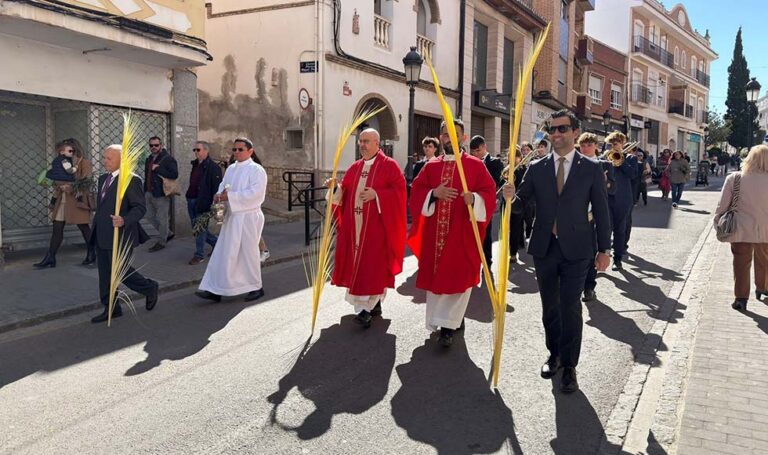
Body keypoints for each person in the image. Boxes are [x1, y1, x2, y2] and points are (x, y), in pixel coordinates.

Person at [505, 110, 611, 393]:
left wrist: (605, 249)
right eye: (552, 129)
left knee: (570, 306)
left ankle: (570, 367)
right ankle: (554, 354)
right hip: (545, 248)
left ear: (575, 132)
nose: (556, 134)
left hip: (578, 249)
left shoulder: (590, 168)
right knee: (550, 307)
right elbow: (520, 205)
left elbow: (602, 210)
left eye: (563, 129)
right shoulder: (537, 168)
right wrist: (509, 196)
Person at [408, 118, 497, 347]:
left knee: (457, 277)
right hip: (434, 234)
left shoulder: (475, 165)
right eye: (446, 134)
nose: (450, 138)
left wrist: (475, 199)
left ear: (463, 138)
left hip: (461, 234)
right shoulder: (431, 166)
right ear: (440, 138)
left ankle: (449, 325)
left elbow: (489, 193)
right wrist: (433, 193)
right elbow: (416, 192)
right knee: (438, 279)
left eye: (455, 133)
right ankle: (445, 320)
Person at [326, 128, 407, 327]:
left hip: (377, 230)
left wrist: (377, 195)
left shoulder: (390, 166)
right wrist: (335, 188)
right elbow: (343, 194)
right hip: (354, 229)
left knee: (373, 268)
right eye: (360, 141)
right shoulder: (354, 168)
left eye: (367, 141)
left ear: (377, 144)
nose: (362, 145)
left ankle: (368, 306)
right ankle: (366, 307)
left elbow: (400, 193)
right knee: (360, 267)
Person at [90, 145, 159, 323]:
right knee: (105, 273)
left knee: (120, 270)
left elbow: (139, 207)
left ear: (122, 160)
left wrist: (124, 219)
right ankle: (111, 308)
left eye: (109, 159)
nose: (104, 161)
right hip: (102, 232)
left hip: (120, 233)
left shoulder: (131, 179)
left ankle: (149, 288)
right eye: (104, 158)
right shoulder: (102, 179)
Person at [195, 138, 267, 303]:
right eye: (234, 150)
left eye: (240, 149)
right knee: (224, 253)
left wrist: (231, 197)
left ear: (250, 151)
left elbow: (256, 194)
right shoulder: (231, 169)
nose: (236, 153)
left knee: (248, 253)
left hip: (248, 216)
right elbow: (223, 185)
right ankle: (215, 288)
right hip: (233, 216)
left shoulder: (257, 170)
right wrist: (219, 195)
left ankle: (256, 287)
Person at [714, 145, 768, 311]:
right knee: (765, 261)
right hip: (766, 230)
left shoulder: (735, 178)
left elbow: (723, 205)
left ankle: (741, 298)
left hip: (740, 228)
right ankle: (762, 288)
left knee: (740, 264)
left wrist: (718, 222)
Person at [34, 139, 96, 268]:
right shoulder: (61, 162)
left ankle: (92, 253)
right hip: (62, 199)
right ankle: (50, 257)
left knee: (84, 227)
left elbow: (86, 183)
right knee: (57, 228)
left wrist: (70, 187)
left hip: (77, 201)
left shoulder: (84, 163)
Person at [576, 132, 615, 303]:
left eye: (589, 145)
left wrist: (604, 181)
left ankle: (589, 287)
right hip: (575, 217)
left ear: (596, 147)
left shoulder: (605, 164)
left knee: (592, 253)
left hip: (592, 216)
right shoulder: (574, 164)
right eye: (582, 146)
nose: (585, 149)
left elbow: (613, 189)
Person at [604, 132, 638, 270]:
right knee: (605, 230)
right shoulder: (605, 157)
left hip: (623, 199)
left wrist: (621, 160)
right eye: (612, 143)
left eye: (617, 142)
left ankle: (617, 259)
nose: (614, 145)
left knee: (619, 230)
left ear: (623, 144)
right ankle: (603, 257)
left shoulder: (630, 158)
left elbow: (632, 175)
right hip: (607, 198)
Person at [469, 135, 504, 268]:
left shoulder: (495, 162)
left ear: (484, 147)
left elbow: (496, 182)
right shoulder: (469, 161)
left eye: (478, 151)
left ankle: (487, 262)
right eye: (473, 152)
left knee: (485, 234)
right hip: (470, 201)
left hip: (485, 203)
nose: (475, 154)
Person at [186, 141, 222, 265]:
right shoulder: (195, 164)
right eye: (194, 150)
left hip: (203, 202)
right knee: (197, 228)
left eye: (198, 150)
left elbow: (217, 188)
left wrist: (214, 205)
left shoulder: (213, 168)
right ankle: (216, 243)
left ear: (206, 151)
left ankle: (199, 255)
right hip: (191, 200)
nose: (196, 152)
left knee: (200, 229)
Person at [144, 136, 179, 252]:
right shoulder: (149, 159)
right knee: (149, 216)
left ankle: (162, 241)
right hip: (149, 192)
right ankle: (167, 233)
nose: (153, 147)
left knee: (162, 218)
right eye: (151, 145)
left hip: (161, 194)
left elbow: (174, 174)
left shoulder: (168, 159)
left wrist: (158, 169)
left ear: (161, 145)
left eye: (156, 145)